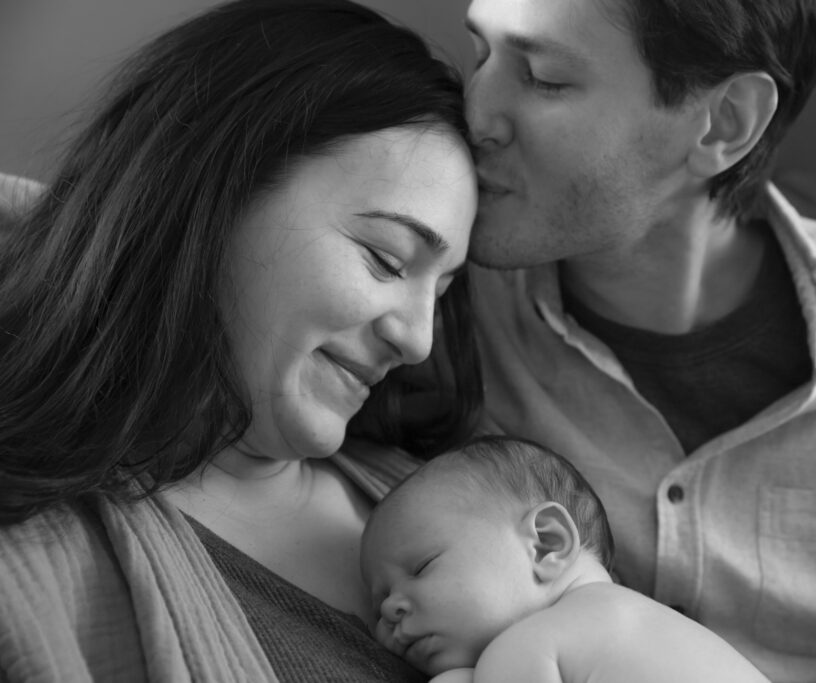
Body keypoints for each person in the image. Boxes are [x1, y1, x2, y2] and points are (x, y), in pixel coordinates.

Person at [453, 0, 816, 681]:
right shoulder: (436, 304)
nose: (474, 117)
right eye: (480, 54)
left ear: (724, 124)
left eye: (544, 77)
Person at [0, 1, 481, 681]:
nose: (419, 341)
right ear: (218, 193)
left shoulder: (448, 498)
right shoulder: (36, 576)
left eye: (442, 290)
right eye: (388, 258)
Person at [361, 435, 770, 683]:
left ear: (546, 544)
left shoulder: (531, 645)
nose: (390, 608)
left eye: (421, 567)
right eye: (380, 600)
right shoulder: (638, 625)